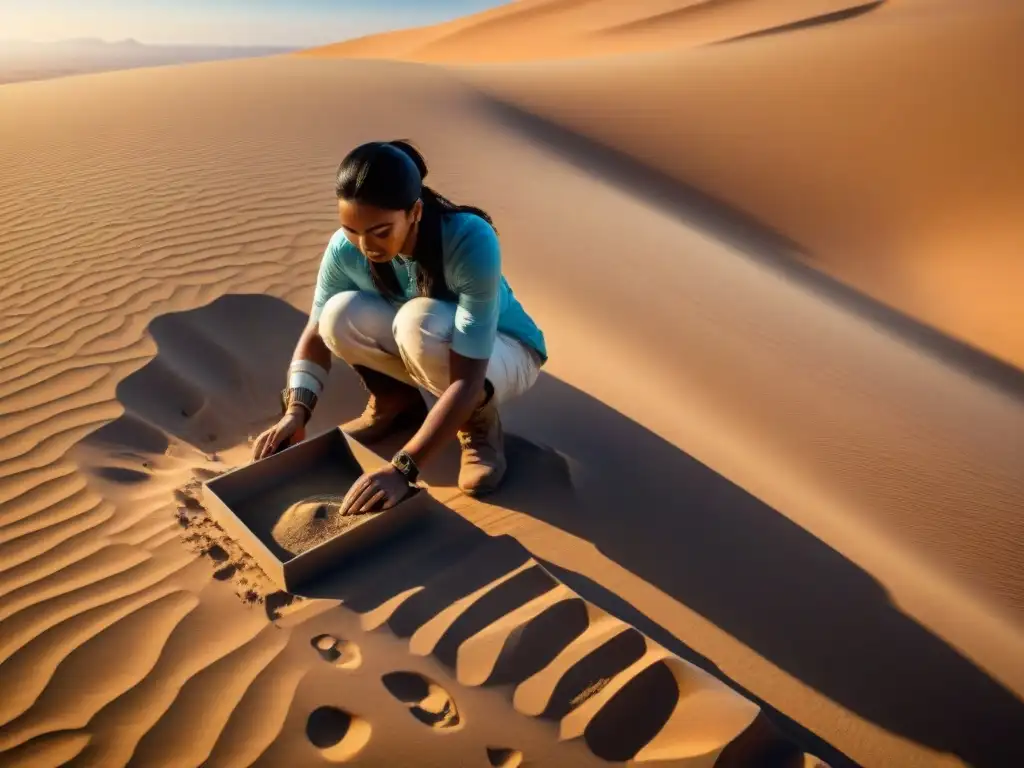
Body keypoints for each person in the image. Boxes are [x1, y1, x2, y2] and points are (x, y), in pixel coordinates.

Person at [250, 139, 547, 513]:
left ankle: (479, 431)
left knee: (415, 322)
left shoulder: (469, 239)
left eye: (379, 230)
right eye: (351, 230)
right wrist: (296, 411)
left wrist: (403, 468)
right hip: (432, 344)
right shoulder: (345, 249)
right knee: (336, 314)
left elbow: (467, 378)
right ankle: (395, 406)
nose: (364, 245)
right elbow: (316, 333)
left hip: (505, 354)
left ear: (415, 212)